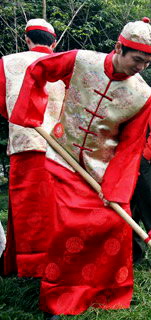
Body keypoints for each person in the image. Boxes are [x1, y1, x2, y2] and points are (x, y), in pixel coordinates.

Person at [10, 18, 151, 318]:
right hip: (62, 156)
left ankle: (99, 291)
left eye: (148, 63)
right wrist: (30, 112)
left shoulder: (143, 95)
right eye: (137, 60)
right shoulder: (81, 60)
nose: (141, 68)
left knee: (112, 224)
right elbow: (39, 70)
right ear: (119, 47)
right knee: (65, 228)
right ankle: (57, 295)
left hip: (100, 171)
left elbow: (130, 147)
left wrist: (115, 190)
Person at [0, 19, 65, 277]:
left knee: (26, 207)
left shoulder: (7, 62)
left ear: (26, 39)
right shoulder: (65, 65)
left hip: (25, 143)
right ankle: (16, 262)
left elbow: (3, 105)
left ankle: (37, 270)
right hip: (58, 148)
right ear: (55, 42)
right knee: (47, 209)